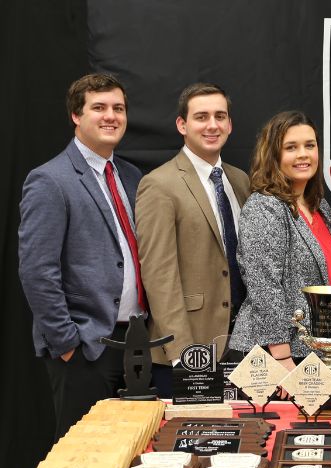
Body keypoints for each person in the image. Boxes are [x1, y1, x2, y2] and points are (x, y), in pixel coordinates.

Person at [18, 73, 144, 438]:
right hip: (87, 348)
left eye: (118, 108)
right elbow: (37, 271)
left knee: (133, 455)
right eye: (99, 108)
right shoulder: (50, 180)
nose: (111, 116)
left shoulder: (130, 176)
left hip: (134, 343)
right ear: (76, 115)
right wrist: (67, 343)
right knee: (84, 460)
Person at [135, 82, 250, 393]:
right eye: (201, 117)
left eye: (220, 116)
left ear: (229, 124)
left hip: (241, 347)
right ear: (182, 125)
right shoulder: (159, 184)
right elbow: (159, 275)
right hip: (187, 350)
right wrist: (183, 354)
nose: (212, 125)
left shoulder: (240, 181)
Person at [228, 111, 331, 371]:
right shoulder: (264, 206)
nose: (303, 154)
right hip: (274, 357)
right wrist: (281, 356)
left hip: (313, 353)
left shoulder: (320, 207)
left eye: (310, 145)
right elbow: (264, 284)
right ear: (274, 155)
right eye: (291, 148)